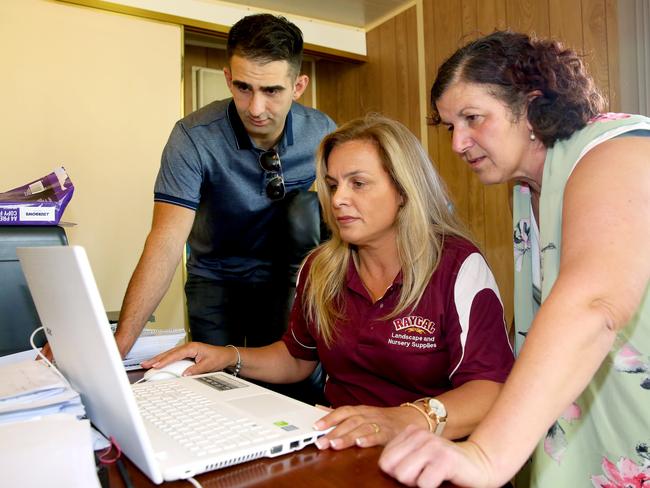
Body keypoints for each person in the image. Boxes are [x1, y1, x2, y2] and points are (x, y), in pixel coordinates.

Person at [143, 114, 514, 450]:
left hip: (429, 452)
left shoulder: (457, 266)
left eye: (359, 183)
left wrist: (402, 419)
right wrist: (226, 356)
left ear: (403, 191)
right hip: (341, 445)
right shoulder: (320, 267)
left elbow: (492, 390)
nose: (338, 199)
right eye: (333, 185)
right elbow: (296, 357)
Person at [379, 31, 650, 488]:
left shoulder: (616, 151)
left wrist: (485, 455)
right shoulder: (526, 191)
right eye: (451, 126)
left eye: (473, 118)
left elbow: (594, 303)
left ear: (530, 105)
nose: (458, 144)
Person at [112, 13, 336, 357]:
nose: (256, 108)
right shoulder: (192, 137)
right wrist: (119, 345)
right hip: (213, 278)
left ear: (298, 86)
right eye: (243, 88)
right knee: (212, 380)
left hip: (286, 279)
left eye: (272, 90)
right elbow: (167, 240)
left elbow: (346, 220)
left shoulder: (322, 134)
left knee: (282, 383)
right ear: (228, 78)